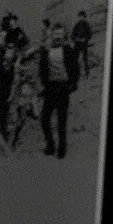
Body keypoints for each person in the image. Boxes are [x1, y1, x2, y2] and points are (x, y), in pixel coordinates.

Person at [36, 25, 76, 158]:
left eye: (60, 34)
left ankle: (61, 148)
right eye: (55, 33)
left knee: (61, 121)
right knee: (44, 119)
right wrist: (44, 85)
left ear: (64, 36)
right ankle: (50, 144)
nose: (57, 36)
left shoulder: (69, 50)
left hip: (63, 88)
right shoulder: (46, 51)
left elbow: (75, 69)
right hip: (50, 89)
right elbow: (42, 69)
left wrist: (72, 84)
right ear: (52, 35)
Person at [70, 10, 92, 84]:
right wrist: (75, 39)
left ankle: (86, 73)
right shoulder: (76, 25)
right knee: (75, 59)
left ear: (84, 17)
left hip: (84, 44)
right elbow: (72, 35)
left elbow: (90, 34)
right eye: (79, 16)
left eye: (82, 16)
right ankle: (76, 74)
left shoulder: (87, 25)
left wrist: (85, 39)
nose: (81, 18)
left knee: (85, 59)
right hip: (77, 45)